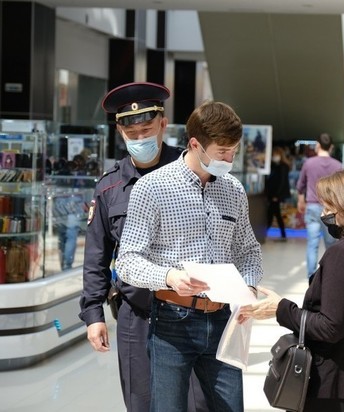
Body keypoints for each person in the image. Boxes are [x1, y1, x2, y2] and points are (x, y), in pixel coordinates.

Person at [115, 100, 263, 412]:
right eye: (222, 151)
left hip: (223, 320)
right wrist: (168, 276)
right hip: (172, 321)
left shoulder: (234, 190)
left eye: (233, 150)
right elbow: (127, 261)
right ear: (195, 144)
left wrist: (248, 289)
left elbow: (248, 251)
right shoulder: (152, 188)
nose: (229, 158)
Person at [78, 82, 206, 412]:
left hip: (188, 311)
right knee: (142, 402)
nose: (139, 140)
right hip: (136, 316)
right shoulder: (110, 186)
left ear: (163, 124)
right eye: (130, 134)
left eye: (146, 130)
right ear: (120, 132)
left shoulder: (192, 175)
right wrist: (94, 315)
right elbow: (96, 255)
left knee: (196, 403)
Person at [240, 167, 344, 412]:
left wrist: (282, 309)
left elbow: (330, 327)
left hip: (336, 387)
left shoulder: (343, 254)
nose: (324, 214)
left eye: (330, 208)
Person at [296, 133, 342, 283]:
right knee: (331, 245)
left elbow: (300, 185)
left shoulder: (309, 163)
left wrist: (301, 200)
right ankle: (331, 276)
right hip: (331, 209)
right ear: (332, 147)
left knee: (312, 244)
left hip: (312, 207)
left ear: (318, 145)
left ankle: (311, 278)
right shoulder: (338, 165)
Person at [265, 146, 291, 240]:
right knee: (274, 214)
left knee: (272, 214)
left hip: (276, 195)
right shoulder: (274, 166)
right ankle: (282, 234)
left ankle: (265, 234)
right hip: (272, 194)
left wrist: (276, 195)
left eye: (275, 155)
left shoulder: (283, 167)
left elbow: (282, 182)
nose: (274, 156)